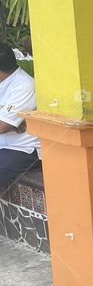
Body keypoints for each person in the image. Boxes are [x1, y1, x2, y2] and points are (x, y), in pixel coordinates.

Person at [0, 45, 40, 188]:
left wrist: (8, 123)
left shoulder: (25, 85)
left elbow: (2, 126)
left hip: (21, 149)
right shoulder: (3, 82)